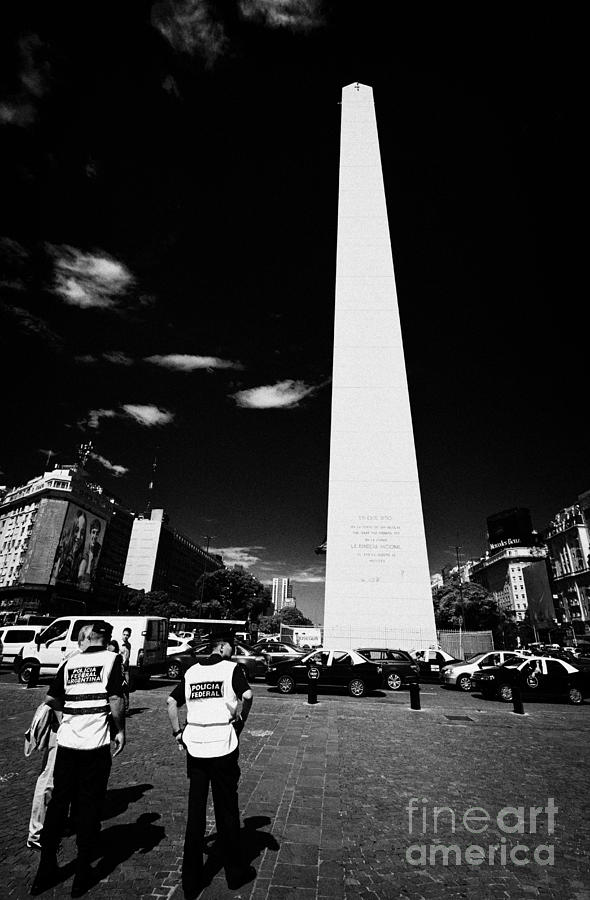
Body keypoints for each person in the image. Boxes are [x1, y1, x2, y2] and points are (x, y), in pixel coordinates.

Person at [30, 621, 126, 898]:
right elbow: (116, 699)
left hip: (67, 743)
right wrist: (120, 731)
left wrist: (68, 720)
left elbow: (52, 699)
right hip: (94, 744)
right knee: (89, 807)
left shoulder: (69, 662)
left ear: (87, 637)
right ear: (106, 638)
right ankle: (82, 874)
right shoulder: (112, 659)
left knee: (58, 805)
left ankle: (45, 870)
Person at [167, 634, 255, 898]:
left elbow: (171, 702)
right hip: (222, 742)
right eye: (232, 647)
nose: (234, 651)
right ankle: (234, 873)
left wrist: (177, 733)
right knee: (226, 808)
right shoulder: (231, 669)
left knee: (196, 810)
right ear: (222, 646)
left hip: (195, 741)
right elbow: (248, 695)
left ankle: (191, 880)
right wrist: (241, 720)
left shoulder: (192, 671)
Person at [26, 625, 94, 852]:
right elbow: (53, 698)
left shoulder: (85, 659)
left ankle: (55, 823)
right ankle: (37, 832)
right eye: (95, 638)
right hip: (62, 727)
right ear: (83, 641)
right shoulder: (74, 661)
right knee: (49, 780)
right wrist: (64, 718)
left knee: (64, 779)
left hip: (75, 728)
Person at [77, 518, 102, 588]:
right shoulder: (83, 548)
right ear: (90, 532)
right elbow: (80, 578)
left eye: (97, 533)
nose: (95, 536)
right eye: (93, 532)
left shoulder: (99, 549)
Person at [120, 627, 132, 713]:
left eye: (127, 635)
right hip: (120, 668)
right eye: (124, 634)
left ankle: (126, 707)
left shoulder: (129, 645)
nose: (125, 636)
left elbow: (127, 657)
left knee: (126, 687)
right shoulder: (119, 645)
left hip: (126, 668)